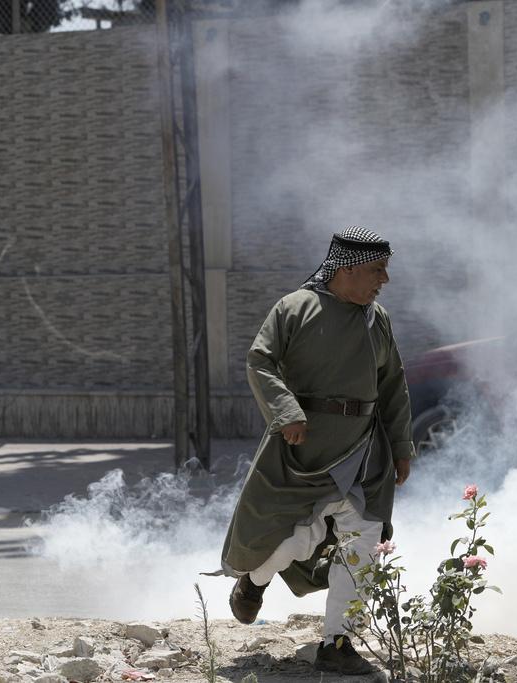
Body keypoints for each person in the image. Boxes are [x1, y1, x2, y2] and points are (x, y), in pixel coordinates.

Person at [220, 226, 414, 676]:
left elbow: (392, 384)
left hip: (366, 452)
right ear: (345, 268)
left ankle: (338, 642)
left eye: (385, 270)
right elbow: (260, 360)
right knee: (297, 538)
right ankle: (254, 580)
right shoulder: (295, 308)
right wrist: (285, 410)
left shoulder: (376, 318)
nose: (383, 279)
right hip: (305, 449)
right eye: (376, 270)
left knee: (363, 540)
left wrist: (402, 445)